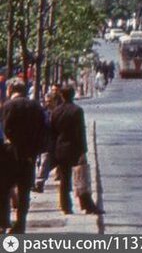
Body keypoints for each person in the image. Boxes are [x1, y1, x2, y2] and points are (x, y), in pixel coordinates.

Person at [1, 78, 47, 233]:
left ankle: (4, 222)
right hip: (29, 156)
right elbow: (44, 130)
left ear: (10, 90)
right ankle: (21, 223)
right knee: (24, 190)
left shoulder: (8, 106)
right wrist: (34, 151)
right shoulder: (36, 106)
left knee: (4, 189)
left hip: (10, 155)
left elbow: (7, 128)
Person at [49, 86, 86, 215]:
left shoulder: (55, 111)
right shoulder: (77, 111)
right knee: (80, 178)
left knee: (64, 179)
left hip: (60, 148)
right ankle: (85, 203)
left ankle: (65, 205)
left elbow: (52, 133)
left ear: (61, 96)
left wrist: (52, 151)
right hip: (74, 148)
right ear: (73, 94)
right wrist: (83, 151)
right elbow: (81, 132)